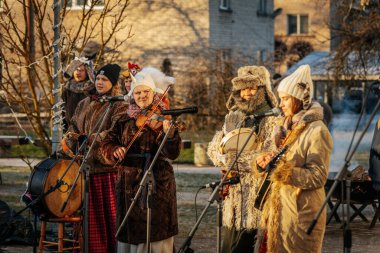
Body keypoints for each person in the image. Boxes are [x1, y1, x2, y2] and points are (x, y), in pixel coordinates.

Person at [253, 65, 333, 253]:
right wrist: (263, 162)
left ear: (299, 99)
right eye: (280, 99)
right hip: (278, 211)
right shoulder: (283, 128)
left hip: (300, 214)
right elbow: (275, 162)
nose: (280, 104)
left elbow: (318, 177)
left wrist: (282, 170)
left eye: (285, 99)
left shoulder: (317, 130)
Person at [100, 71, 181, 253]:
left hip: (157, 182)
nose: (142, 96)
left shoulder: (163, 117)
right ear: (132, 95)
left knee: (154, 233)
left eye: (146, 92)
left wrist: (170, 135)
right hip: (128, 184)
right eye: (138, 93)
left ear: (153, 93)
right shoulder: (123, 119)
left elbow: (173, 153)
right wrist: (114, 150)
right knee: (131, 233)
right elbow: (106, 143)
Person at [207, 66, 278, 253]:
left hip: (256, 197)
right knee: (229, 247)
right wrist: (226, 153)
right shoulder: (233, 117)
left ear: (262, 90)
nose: (247, 92)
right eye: (243, 88)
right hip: (233, 197)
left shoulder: (271, 119)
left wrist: (231, 157)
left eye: (252, 87)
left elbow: (267, 156)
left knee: (247, 246)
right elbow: (214, 150)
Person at [61, 63, 128, 253]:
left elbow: (113, 133)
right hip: (83, 170)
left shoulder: (119, 105)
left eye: (104, 79)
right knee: (86, 222)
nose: (99, 82)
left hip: (105, 172)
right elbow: (72, 126)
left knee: (107, 220)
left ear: (113, 83)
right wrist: (70, 140)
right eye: (98, 78)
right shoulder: (84, 103)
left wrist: (88, 138)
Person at [61, 57, 96, 132]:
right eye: (76, 69)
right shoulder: (67, 90)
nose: (78, 72)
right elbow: (62, 113)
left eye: (82, 70)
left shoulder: (93, 89)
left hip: (88, 131)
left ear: (87, 72)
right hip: (70, 131)